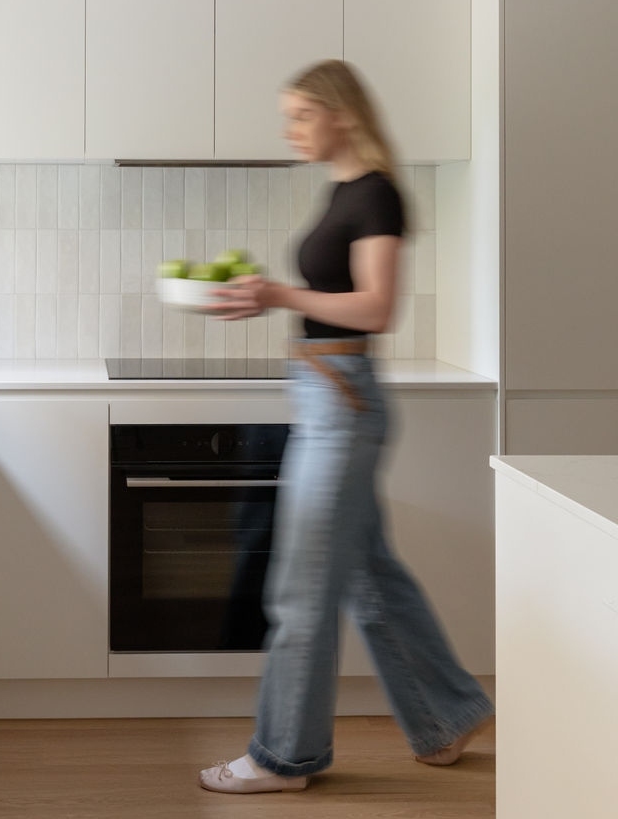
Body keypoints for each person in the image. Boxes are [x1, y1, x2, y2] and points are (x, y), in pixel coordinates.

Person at [198, 59, 494, 795]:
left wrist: (278, 293)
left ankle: (283, 757)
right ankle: (448, 714)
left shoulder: (376, 193)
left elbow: (376, 309)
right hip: (322, 395)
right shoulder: (343, 191)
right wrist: (270, 297)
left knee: (300, 591)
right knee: (370, 576)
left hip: (342, 405)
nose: (291, 129)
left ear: (344, 114)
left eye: (302, 115)